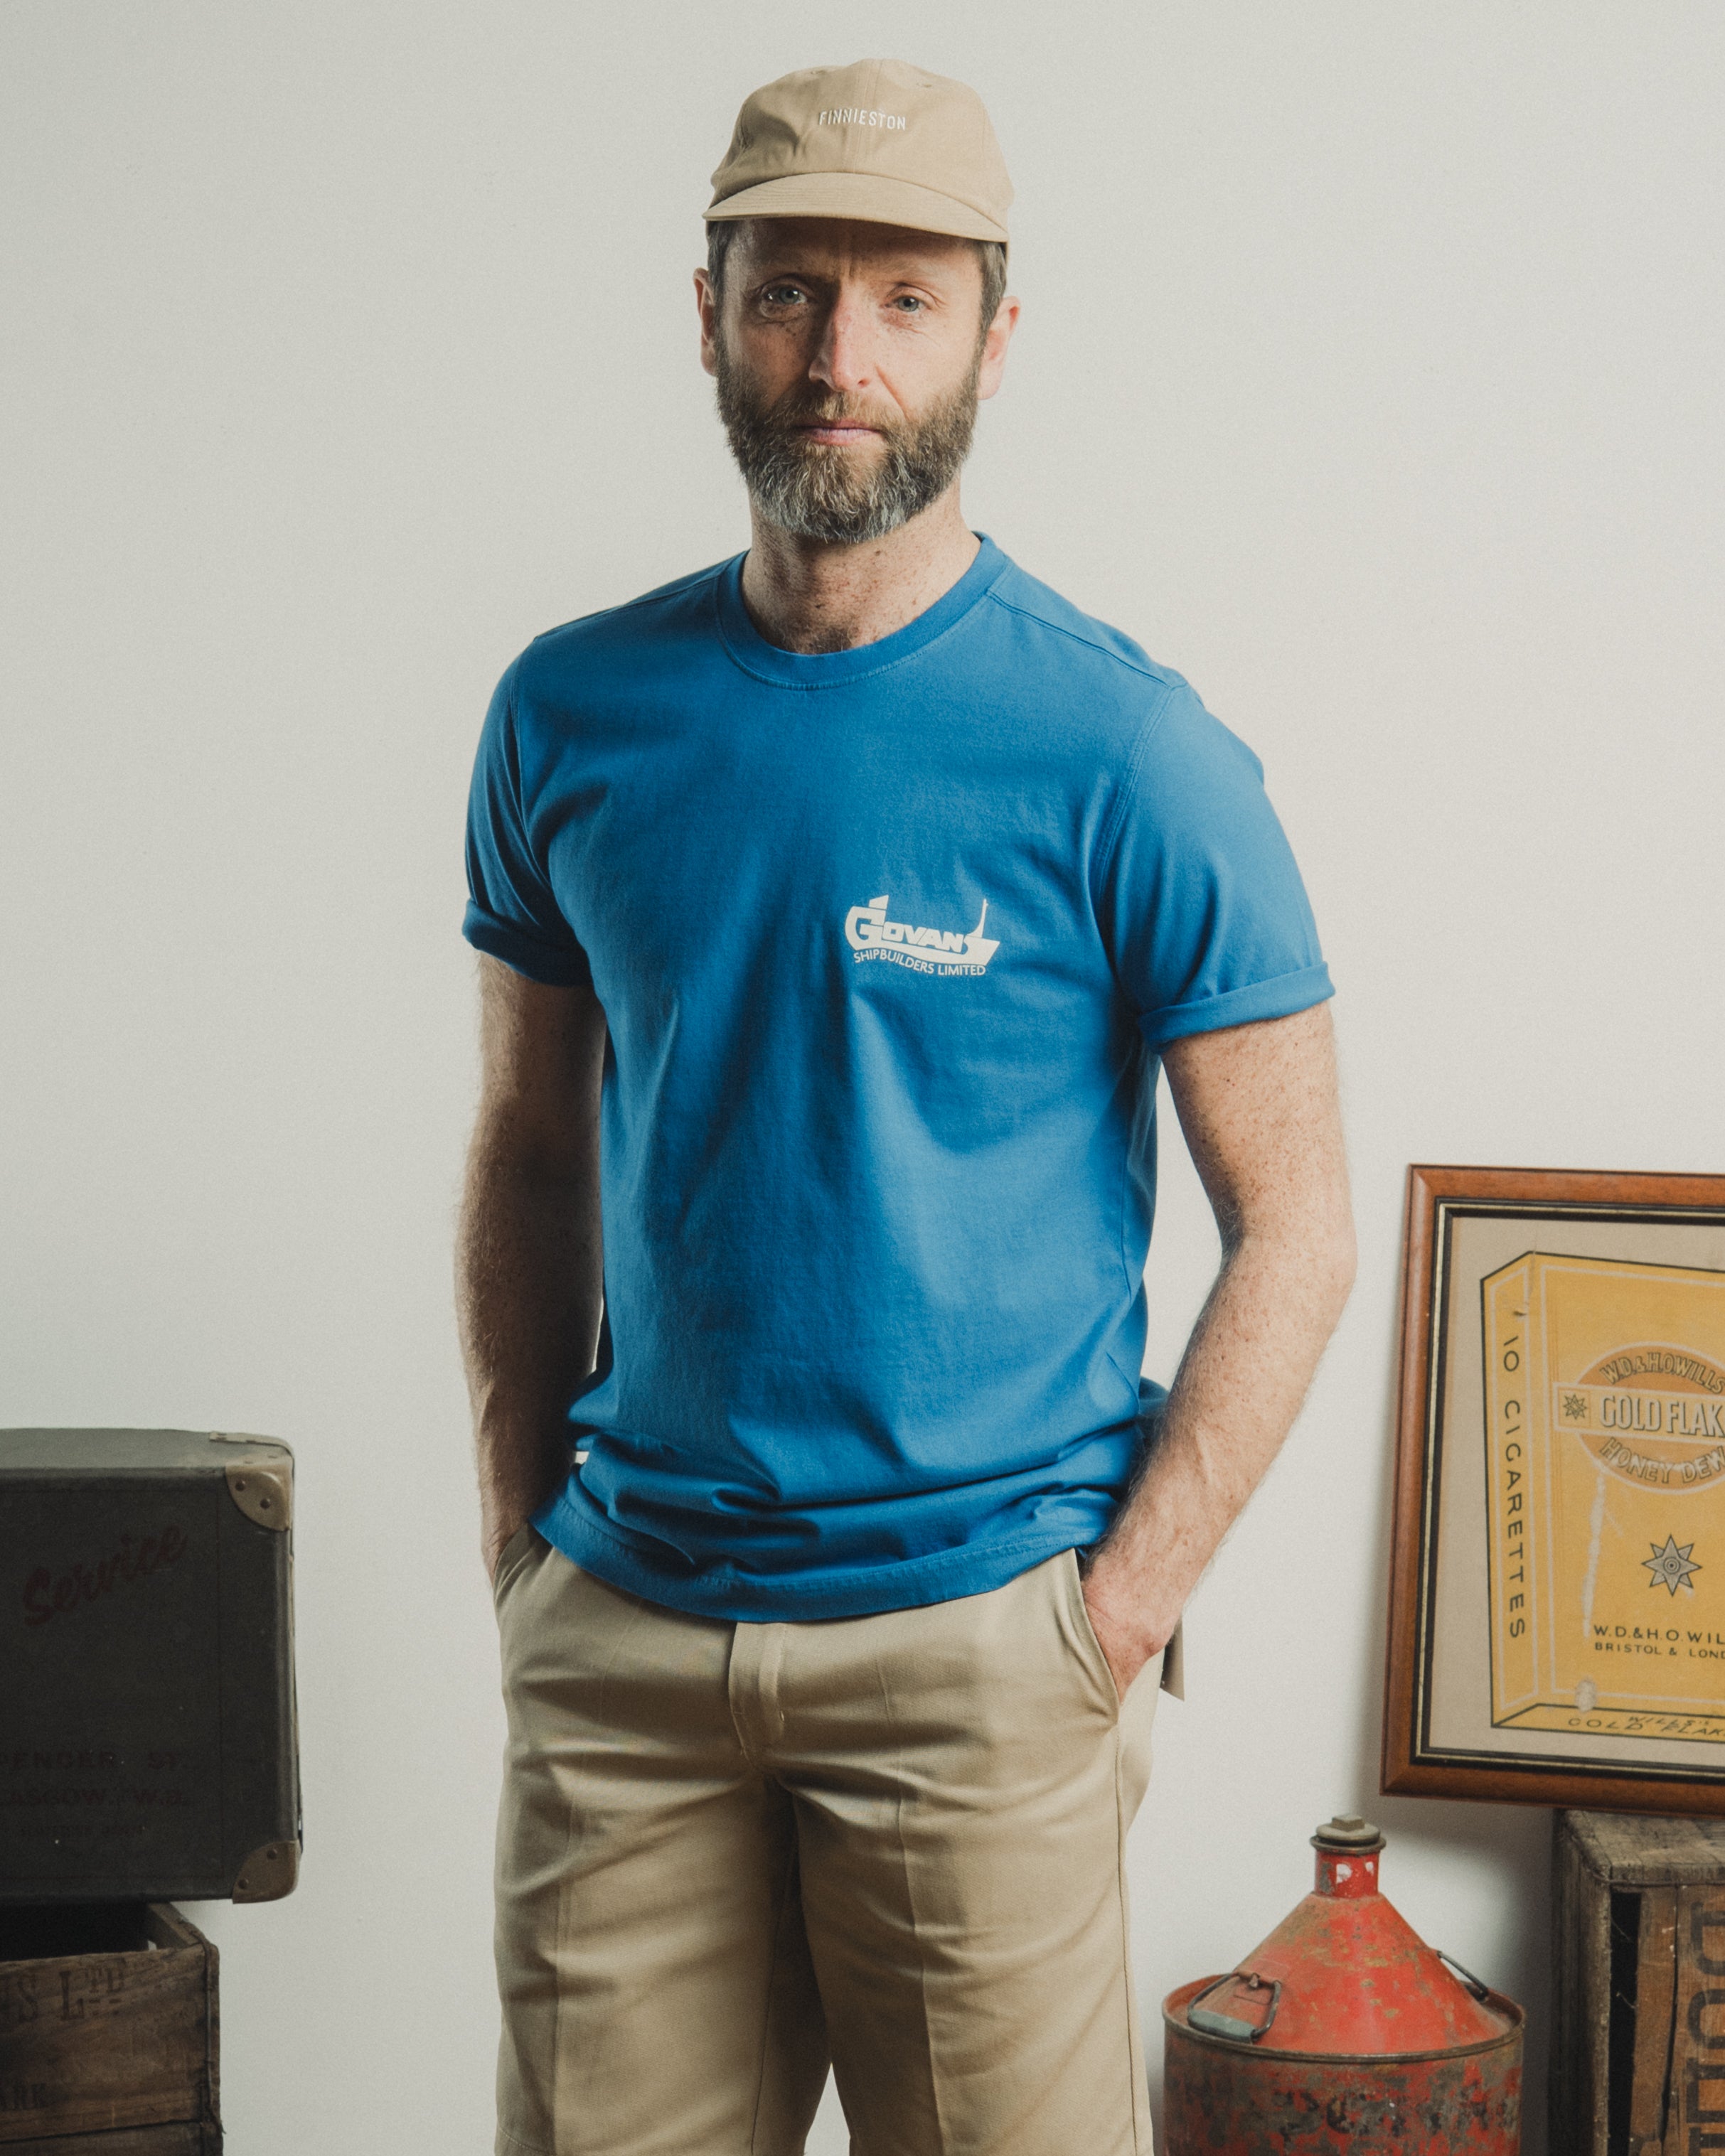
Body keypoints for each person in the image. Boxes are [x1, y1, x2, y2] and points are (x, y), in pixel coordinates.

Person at [457, 55, 1355, 2156]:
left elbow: (1296, 1217)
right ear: (706, 315)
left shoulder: (1129, 753)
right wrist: (521, 1552)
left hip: (980, 1663)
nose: (837, 357)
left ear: (993, 334)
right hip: (628, 1654)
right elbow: (519, 1151)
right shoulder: (568, 712)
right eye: (786, 292)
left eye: (902, 298)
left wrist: (1103, 1620)